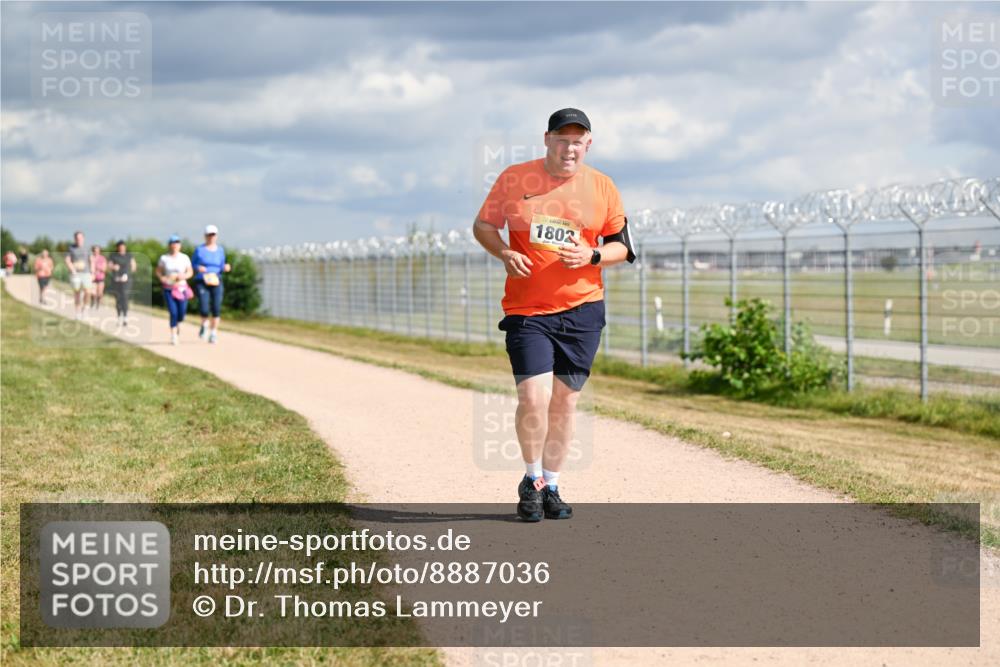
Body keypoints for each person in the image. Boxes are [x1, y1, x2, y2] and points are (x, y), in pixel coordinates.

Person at [473, 108, 636, 522]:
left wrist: (594, 253)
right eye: (562, 140)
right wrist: (505, 252)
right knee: (533, 397)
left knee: (564, 403)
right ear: (547, 139)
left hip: (583, 310)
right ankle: (532, 480)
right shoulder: (515, 178)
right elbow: (484, 226)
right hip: (528, 311)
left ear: (588, 144)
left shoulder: (602, 186)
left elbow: (623, 247)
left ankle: (552, 483)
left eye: (578, 141)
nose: (569, 148)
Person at [192, 224, 231, 344]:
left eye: (213, 235)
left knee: (216, 307)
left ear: (216, 236)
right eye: (209, 235)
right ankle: (204, 323)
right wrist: (199, 267)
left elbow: (222, 265)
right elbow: (192, 264)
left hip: (216, 280)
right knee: (204, 306)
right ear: (205, 236)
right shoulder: (199, 250)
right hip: (202, 280)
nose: (211, 237)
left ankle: (213, 333)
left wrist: (225, 267)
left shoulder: (220, 250)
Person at [155, 235, 194, 345]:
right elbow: (158, 271)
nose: (175, 245)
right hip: (169, 288)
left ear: (180, 245)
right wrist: (162, 277)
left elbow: (190, 272)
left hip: (182, 289)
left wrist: (183, 276)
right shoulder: (164, 258)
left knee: (181, 313)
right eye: (173, 243)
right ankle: (173, 335)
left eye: (177, 243)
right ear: (169, 245)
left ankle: (178, 324)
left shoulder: (185, 257)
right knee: (173, 312)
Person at [64, 231, 94, 319]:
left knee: (88, 292)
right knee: (77, 293)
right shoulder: (71, 248)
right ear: (75, 239)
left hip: (86, 273)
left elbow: (91, 260)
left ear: (83, 238)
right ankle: (78, 312)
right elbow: (67, 260)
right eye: (77, 238)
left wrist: (92, 272)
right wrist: (72, 269)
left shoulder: (87, 248)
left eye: (80, 238)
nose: (79, 240)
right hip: (75, 274)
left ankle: (85, 309)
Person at [108, 240, 137, 326]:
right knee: (118, 299)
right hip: (116, 280)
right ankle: (119, 316)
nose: (121, 248)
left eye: (123, 246)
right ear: (117, 248)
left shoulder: (129, 256)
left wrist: (128, 273)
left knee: (125, 297)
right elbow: (108, 265)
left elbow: (134, 267)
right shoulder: (113, 256)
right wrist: (113, 267)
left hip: (126, 280)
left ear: (125, 247)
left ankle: (125, 316)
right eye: (120, 247)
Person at [90, 245, 108, 310]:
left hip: (100, 277)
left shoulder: (103, 258)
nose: (96, 251)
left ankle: (98, 304)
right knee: (93, 292)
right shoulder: (91, 257)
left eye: (97, 250)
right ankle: (92, 302)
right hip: (93, 278)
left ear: (99, 251)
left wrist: (98, 268)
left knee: (99, 293)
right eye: (95, 250)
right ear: (93, 251)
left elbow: (105, 269)